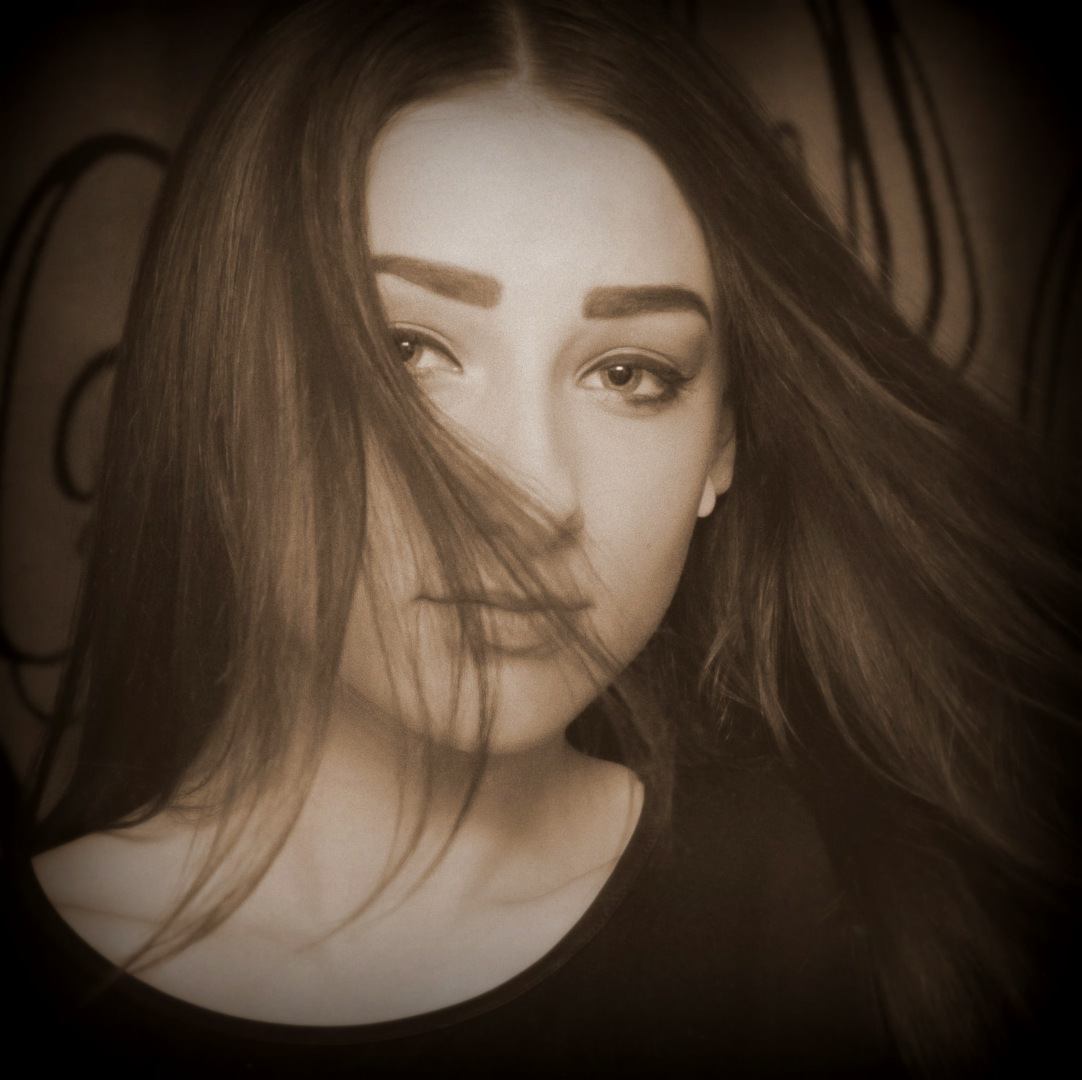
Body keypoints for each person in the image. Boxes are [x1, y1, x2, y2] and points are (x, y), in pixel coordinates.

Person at [4, 0, 1079, 1074]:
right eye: (408, 350)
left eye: (628, 374)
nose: (532, 494)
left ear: (722, 447)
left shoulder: (847, 919)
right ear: (225, 389)